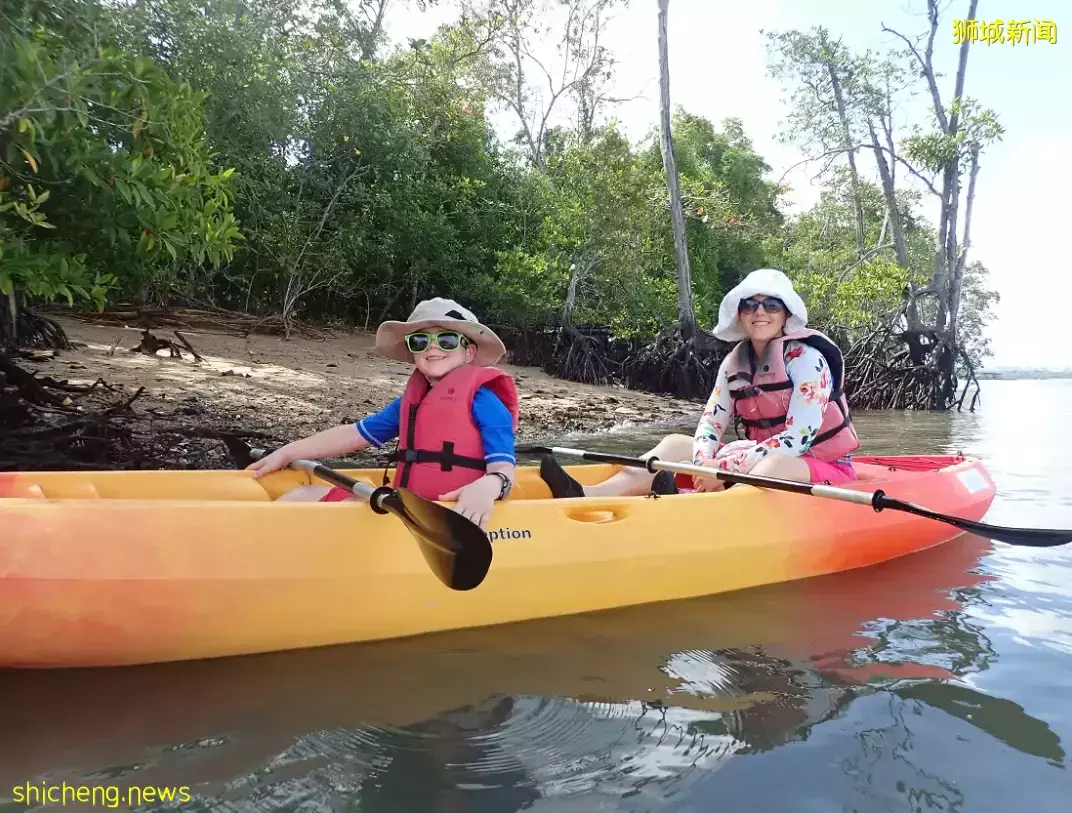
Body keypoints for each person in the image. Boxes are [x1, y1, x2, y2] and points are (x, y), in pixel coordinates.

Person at [538, 268, 860, 498]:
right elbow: (710, 422)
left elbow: (797, 440)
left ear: (785, 314)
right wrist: (704, 463)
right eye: (750, 304)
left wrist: (722, 469)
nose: (759, 312)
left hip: (814, 464)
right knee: (674, 445)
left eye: (771, 305)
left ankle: (686, 501)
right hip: (747, 459)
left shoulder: (806, 359)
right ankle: (590, 494)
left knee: (774, 465)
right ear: (740, 314)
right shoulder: (734, 362)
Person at [247, 298, 519, 530]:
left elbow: (504, 468)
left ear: (469, 352)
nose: (432, 348)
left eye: (447, 340)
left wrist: (491, 485)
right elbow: (355, 434)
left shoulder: (486, 402)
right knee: (300, 495)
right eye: (421, 340)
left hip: (448, 513)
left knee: (305, 500)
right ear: (413, 352)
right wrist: (288, 452)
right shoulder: (411, 404)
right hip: (405, 506)